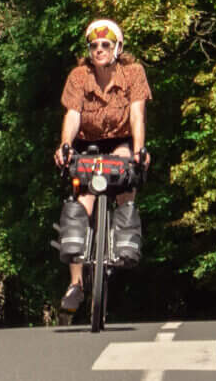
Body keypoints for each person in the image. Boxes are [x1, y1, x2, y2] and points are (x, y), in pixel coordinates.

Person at [55, 17, 149, 311]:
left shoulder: (133, 73)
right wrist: (66, 146)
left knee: (125, 174)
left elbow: (137, 115)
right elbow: (72, 116)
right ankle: (76, 284)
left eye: (105, 45)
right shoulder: (79, 76)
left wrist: (139, 150)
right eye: (94, 45)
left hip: (120, 141)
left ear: (117, 48)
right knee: (80, 203)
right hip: (87, 144)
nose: (99, 50)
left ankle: (125, 242)